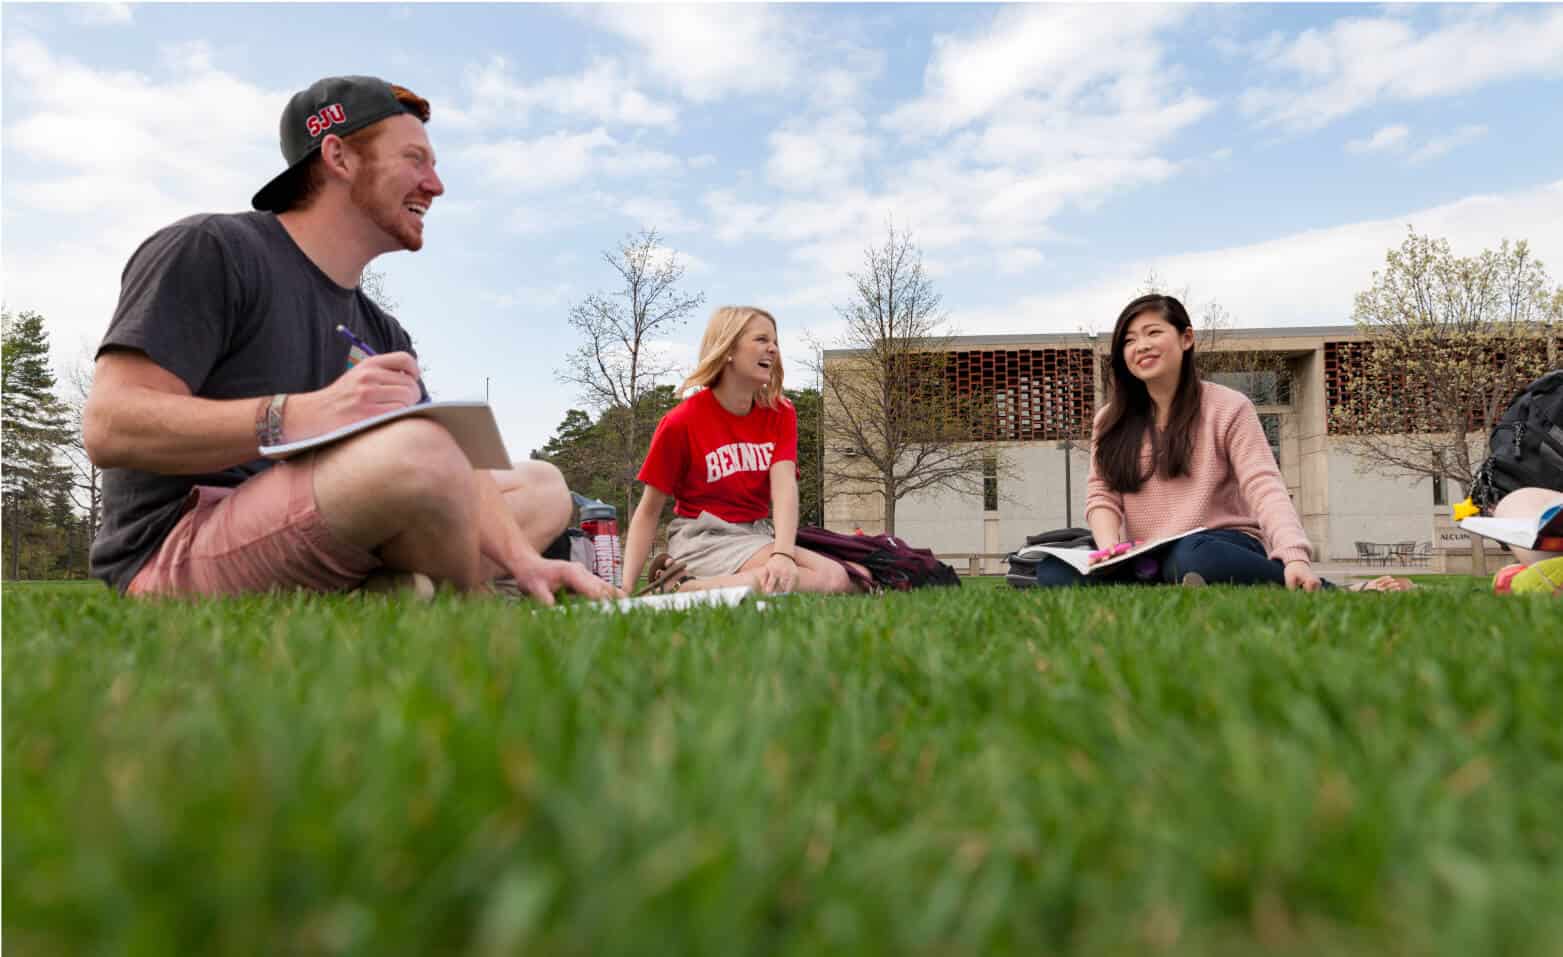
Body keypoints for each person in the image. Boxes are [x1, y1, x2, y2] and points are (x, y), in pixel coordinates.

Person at [84, 75, 617, 603]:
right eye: (415, 159)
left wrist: (525, 562)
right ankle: (465, 597)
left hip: (327, 523)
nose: (435, 184)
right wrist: (304, 414)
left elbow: (451, 457)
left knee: (543, 487)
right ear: (339, 157)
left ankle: (385, 591)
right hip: (180, 544)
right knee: (420, 452)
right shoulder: (212, 249)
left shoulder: (383, 330)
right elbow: (111, 425)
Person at [1035, 293, 1408, 591]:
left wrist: (1294, 556)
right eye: (1129, 340)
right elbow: (1102, 495)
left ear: (1186, 338)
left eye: (1152, 332)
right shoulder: (1110, 419)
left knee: (1193, 556)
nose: (1141, 346)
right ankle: (1158, 579)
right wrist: (1107, 551)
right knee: (1050, 571)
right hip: (1140, 553)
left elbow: (1264, 486)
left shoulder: (1229, 407)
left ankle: (1327, 588)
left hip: (1217, 543)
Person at [620, 306, 866, 595]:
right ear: (728, 350)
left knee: (858, 576)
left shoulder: (780, 412)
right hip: (704, 538)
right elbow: (648, 511)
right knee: (832, 578)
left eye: (775, 342)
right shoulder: (680, 422)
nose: (773, 349)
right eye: (761, 339)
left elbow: (784, 486)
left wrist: (782, 554)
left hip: (756, 535)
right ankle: (683, 588)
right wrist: (625, 588)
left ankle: (690, 586)